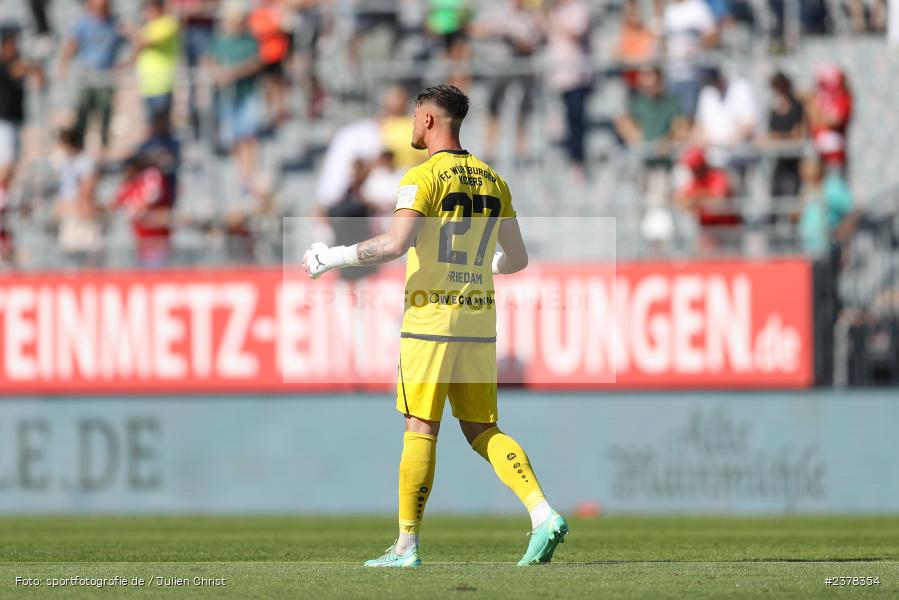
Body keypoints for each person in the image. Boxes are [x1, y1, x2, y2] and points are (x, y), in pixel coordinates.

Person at [301, 85, 568, 567]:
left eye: (412, 117)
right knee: (483, 428)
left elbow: (395, 243)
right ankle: (542, 513)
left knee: (421, 426)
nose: (409, 126)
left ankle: (406, 547)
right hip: (478, 319)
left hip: (430, 319)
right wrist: (482, 268)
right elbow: (520, 259)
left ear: (426, 119)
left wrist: (332, 257)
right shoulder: (494, 179)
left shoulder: (422, 177)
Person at [469, 0, 543, 161]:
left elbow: (531, 45)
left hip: (520, 70)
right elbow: (475, 30)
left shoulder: (529, 17)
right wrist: (493, 32)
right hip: (498, 69)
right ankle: (490, 152)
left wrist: (512, 38)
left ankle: (521, 153)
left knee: (522, 112)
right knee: (493, 110)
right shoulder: (497, 13)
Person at [209, 1, 263, 197]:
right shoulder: (220, 41)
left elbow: (257, 62)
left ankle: (250, 174)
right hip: (226, 97)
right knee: (233, 138)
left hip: (246, 93)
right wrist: (218, 74)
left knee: (247, 136)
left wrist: (234, 73)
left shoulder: (250, 40)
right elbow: (210, 61)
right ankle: (241, 175)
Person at [59, 0, 127, 153]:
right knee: (82, 114)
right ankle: (79, 150)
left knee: (105, 115)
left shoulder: (115, 23)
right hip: (87, 77)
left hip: (106, 77)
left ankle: (103, 153)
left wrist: (127, 63)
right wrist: (63, 65)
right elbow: (72, 44)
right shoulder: (84, 24)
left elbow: (135, 40)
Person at [547, 0, 592, 180]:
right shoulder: (555, 12)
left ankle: (578, 161)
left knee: (576, 120)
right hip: (558, 77)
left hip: (576, 77)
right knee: (563, 121)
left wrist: (555, 19)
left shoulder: (578, 8)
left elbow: (577, 31)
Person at [113, 154, 175, 267]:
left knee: (157, 271)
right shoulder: (126, 185)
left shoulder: (150, 176)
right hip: (137, 239)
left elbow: (152, 197)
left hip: (157, 238)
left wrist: (138, 211)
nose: (126, 172)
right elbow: (116, 204)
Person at [662, 0, 718, 118]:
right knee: (676, 118)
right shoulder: (670, 9)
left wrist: (696, 49)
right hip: (673, 73)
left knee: (690, 115)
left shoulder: (697, 6)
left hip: (693, 74)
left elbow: (712, 34)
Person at [133, 0, 180, 125]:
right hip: (146, 85)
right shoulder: (147, 27)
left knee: (162, 124)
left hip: (162, 84)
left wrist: (129, 30)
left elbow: (144, 42)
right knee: (150, 125)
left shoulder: (168, 23)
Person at [797, 157, 853, 255]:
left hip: (830, 246)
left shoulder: (833, 186)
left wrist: (842, 231)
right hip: (808, 248)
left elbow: (850, 209)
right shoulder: (805, 189)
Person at [767, 71, 805, 199]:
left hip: (794, 160)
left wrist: (781, 137)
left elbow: (798, 133)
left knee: (793, 193)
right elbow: (772, 134)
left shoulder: (796, 106)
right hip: (780, 158)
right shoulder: (774, 108)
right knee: (775, 191)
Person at [807, 64, 852, 173]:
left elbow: (836, 121)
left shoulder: (843, 98)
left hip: (835, 154)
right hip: (818, 151)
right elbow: (812, 118)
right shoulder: (819, 98)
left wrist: (819, 118)